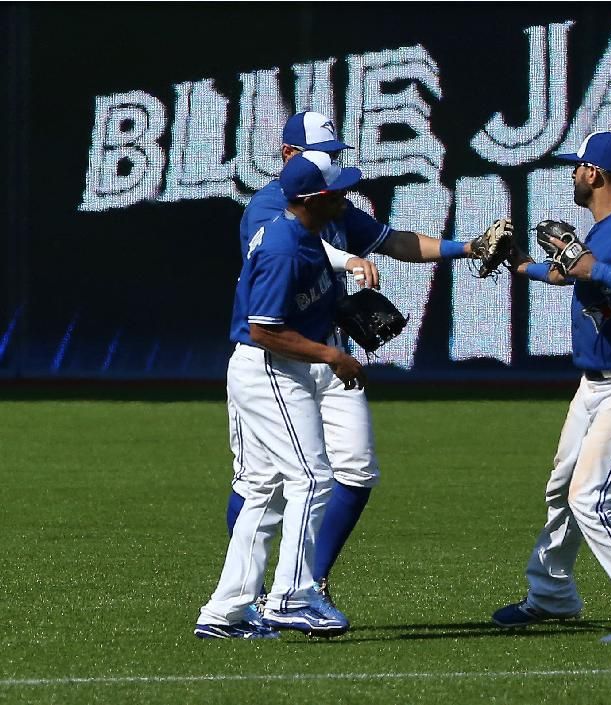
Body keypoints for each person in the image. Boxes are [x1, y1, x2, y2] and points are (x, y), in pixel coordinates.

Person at [227, 111, 479, 629]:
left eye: (337, 153)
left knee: (354, 468)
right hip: (281, 357)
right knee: (263, 481)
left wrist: (466, 248)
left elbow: (394, 242)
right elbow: (295, 253)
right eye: (325, 154)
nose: (335, 164)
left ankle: (305, 587)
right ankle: (249, 600)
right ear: (289, 156)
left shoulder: (334, 203)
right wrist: (346, 263)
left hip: (328, 352)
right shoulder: (271, 209)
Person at [493, 130, 611, 643]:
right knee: (562, 489)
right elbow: (571, 276)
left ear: (594, 174)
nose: (573, 174)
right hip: (595, 385)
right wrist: (519, 266)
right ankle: (552, 595)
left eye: (578, 167)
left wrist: (595, 267)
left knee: (592, 499)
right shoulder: (599, 231)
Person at [195, 151, 367, 639]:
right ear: (314, 199)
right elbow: (264, 329)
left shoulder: (302, 235)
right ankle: (292, 597)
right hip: (268, 367)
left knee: (261, 492)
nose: (345, 196)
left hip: (273, 367)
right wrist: (333, 355)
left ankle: (225, 611)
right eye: (338, 191)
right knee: (312, 479)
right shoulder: (284, 248)